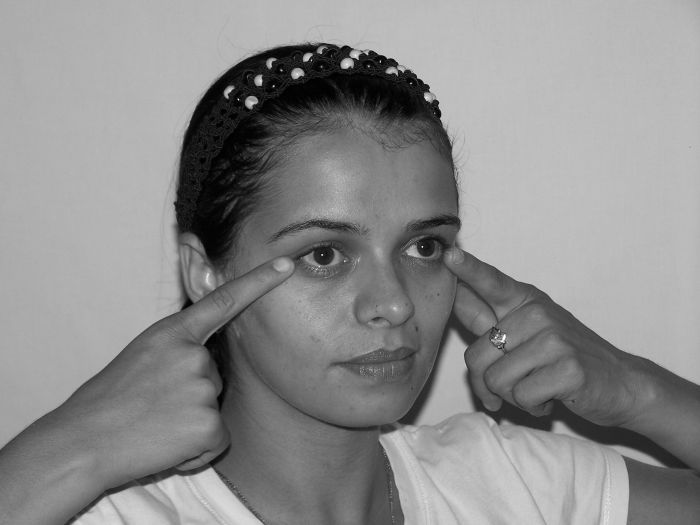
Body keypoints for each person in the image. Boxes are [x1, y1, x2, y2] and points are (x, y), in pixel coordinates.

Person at [1, 43, 699, 525]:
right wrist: (71, 449)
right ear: (205, 271)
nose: (394, 303)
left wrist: (634, 389)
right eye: (326, 254)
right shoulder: (102, 512)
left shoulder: (512, 483)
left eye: (424, 246)